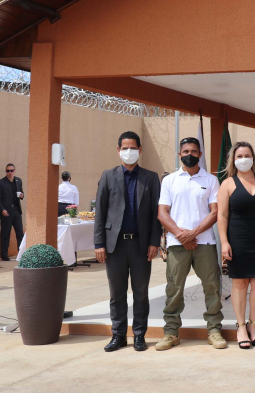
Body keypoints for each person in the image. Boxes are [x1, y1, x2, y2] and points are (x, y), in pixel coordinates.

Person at [155, 137, 226, 351]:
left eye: (194, 151)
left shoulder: (212, 180)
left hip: (204, 242)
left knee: (212, 286)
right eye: (186, 151)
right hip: (177, 245)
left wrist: (193, 233)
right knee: (174, 288)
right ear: (179, 154)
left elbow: (215, 212)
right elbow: (162, 212)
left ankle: (214, 330)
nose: (190, 154)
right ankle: (171, 333)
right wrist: (180, 234)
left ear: (200, 155)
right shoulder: (170, 180)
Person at [93, 131, 162, 352]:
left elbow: (155, 214)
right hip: (115, 246)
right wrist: (99, 244)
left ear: (140, 150)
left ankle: (139, 335)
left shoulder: (150, 177)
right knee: (117, 292)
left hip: (141, 246)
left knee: (141, 292)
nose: (129, 152)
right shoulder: (108, 176)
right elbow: (100, 213)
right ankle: (118, 335)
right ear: (118, 150)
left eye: (133, 148)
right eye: (125, 148)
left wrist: (154, 242)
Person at [218, 141, 255, 349]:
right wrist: (224, 242)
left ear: (254, 158)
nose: (243, 159)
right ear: (233, 159)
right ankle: (240, 326)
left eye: (247, 155)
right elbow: (222, 215)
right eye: (239, 156)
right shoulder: (227, 184)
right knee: (240, 284)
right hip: (237, 239)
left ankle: (253, 326)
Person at [0, 163, 24, 261]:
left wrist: (22, 196)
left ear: (15, 171)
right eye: (8, 171)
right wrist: (2, 209)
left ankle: (21, 254)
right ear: (5, 171)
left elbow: (21, 193)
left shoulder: (18, 181)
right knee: (5, 233)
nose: (10, 173)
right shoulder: (0, 183)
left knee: (20, 233)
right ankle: (4, 255)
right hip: (6, 211)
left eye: (11, 170)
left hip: (16, 210)